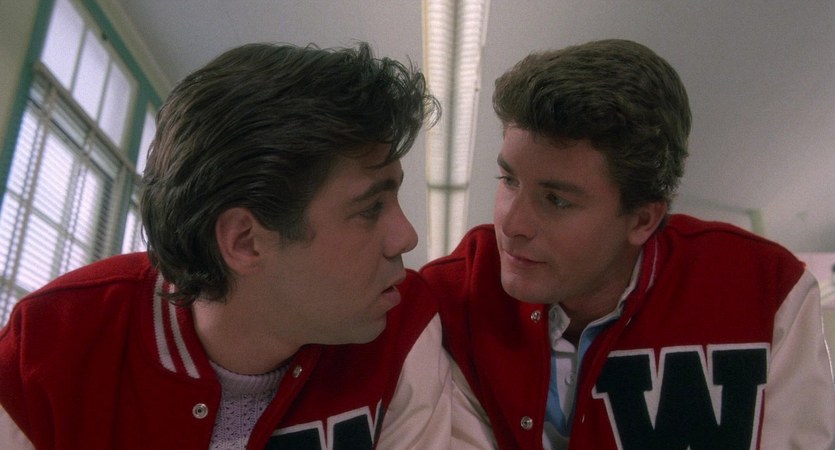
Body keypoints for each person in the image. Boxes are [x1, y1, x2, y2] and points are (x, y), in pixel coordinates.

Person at [0, 41, 453, 449]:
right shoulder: (50, 346)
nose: (407, 237)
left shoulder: (403, 327)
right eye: (370, 208)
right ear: (245, 241)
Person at [422, 38, 835, 450]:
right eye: (509, 180)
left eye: (557, 200)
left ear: (642, 220)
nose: (512, 224)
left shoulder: (764, 289)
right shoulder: (451, 299)